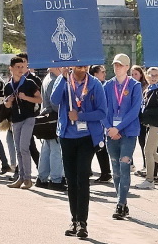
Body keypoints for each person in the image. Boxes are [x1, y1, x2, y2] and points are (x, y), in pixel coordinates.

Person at [53, 64, 106, 239]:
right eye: (78, 64)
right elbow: (53, 99)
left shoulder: (95, 84)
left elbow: (102, 112)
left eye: (85, 64)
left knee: (82, 178)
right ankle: (74, 219)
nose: (81, 67)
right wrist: (62, 77)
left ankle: (82, 222)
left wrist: (80, 116)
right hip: (67, 136)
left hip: (86, 138)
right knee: (71, 179)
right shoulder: (65, 81)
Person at [103, 55, 142, 220]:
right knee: (115, 169)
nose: (117, 68)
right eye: (115, 65)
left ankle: (120, 203)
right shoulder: (107, 85)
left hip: (128, 132)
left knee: (124, 165)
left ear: (127, 67)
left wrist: (118, 127)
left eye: (120, 65)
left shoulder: (135, 85)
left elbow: (134, 111)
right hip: (111, 133)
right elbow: (102, 108)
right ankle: (121, 202)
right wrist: (109, 127)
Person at [6, 54, 40, 189]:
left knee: (24, 147)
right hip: (16, 119)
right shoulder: (8, 85)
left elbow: (39, 99)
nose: (21, 69)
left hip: (29, 117)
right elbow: (7, 106)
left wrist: (26, 98)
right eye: (18, 67)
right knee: (18, 149)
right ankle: (20, 177)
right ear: (11, 69)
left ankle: (28, 179)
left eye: (23, 66)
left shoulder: (29, 83)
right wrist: (8, 102)